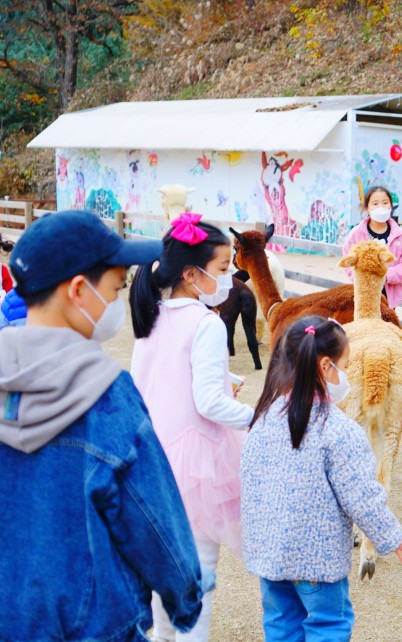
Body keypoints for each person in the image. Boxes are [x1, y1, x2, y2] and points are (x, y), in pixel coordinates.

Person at [0, 210, 209, 640]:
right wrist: (185, 600)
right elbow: (155, 522)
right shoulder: (109, 397)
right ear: (79, 290)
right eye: (116, 286)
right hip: (96, 625)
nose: (120, 299)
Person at [242, 316, 402, 641]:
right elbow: (361, 495)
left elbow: (250, 482)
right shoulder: (338, 431)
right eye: (345, 366)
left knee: (281, 624)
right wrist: (391, 536)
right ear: (325, 367)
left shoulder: (263, 420)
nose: (346, 375)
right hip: (318, 560)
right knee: (328, 625)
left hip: (271, 554)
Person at [129, 212, 254, 642]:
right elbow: (208, 402)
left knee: (162, 575)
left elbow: (153, 385)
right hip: (194, 465)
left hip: (150, 461)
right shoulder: (206, 323)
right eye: (222, 269)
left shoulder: (151, 316)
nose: (229, 278)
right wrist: (258, 416)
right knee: (199, 575)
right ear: (191, 273)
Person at [341, 186, 402, 308]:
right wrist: (361, 278)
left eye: (385, 203)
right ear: (366, 208)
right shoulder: (357, 234)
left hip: (389, 296)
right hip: (364, 293)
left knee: (387, 324)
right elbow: (348, 258)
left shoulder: (400, 235)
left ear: (391, 206)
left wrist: (387, 275)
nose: (380, 207)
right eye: (375, 203)